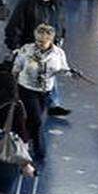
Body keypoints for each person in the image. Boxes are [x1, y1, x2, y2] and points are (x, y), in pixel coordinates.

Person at [4, 0, 70, 117]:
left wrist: (60, 37)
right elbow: (15, 25)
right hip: (29, 47)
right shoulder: (26, 3)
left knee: (50, 73)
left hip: (49, 47)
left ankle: (53, 104)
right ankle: (20, 103)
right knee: (26, 76)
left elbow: (60, 21)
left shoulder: (56, 3)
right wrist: (14, 45)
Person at [12, 24, 70, 163]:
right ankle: (40, 151)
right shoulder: (26, 49)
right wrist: (12, 84)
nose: (39, 44)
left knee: (32, 119)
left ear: (51, 40)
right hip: (26, 89)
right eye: (37, 40)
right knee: (37, 120)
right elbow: (17, 67)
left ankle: (24, 141)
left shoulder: (59, 53)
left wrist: (70, 73)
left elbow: (63, 69)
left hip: (44, 91)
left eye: (42, 42)